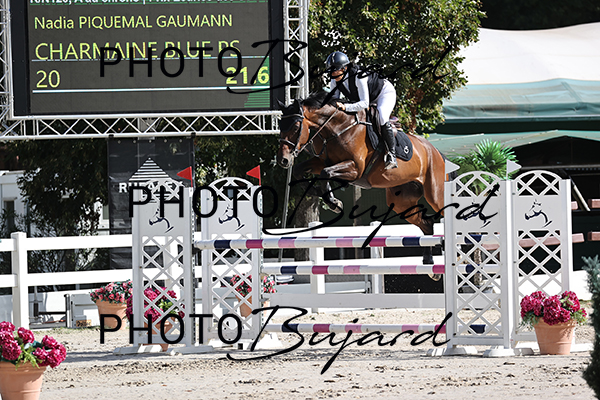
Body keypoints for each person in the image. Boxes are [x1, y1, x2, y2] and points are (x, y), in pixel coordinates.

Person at [325, 51, 398, 169]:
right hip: (367, 97)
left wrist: (346, 107)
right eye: (330, 71)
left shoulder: (359, 77)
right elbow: (333, 101)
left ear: (344, 68)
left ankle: (391, 154)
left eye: (335, 71)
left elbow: (364, 103)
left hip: (383, 93)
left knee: (382, 117)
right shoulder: (335, 80)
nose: (332, 74)